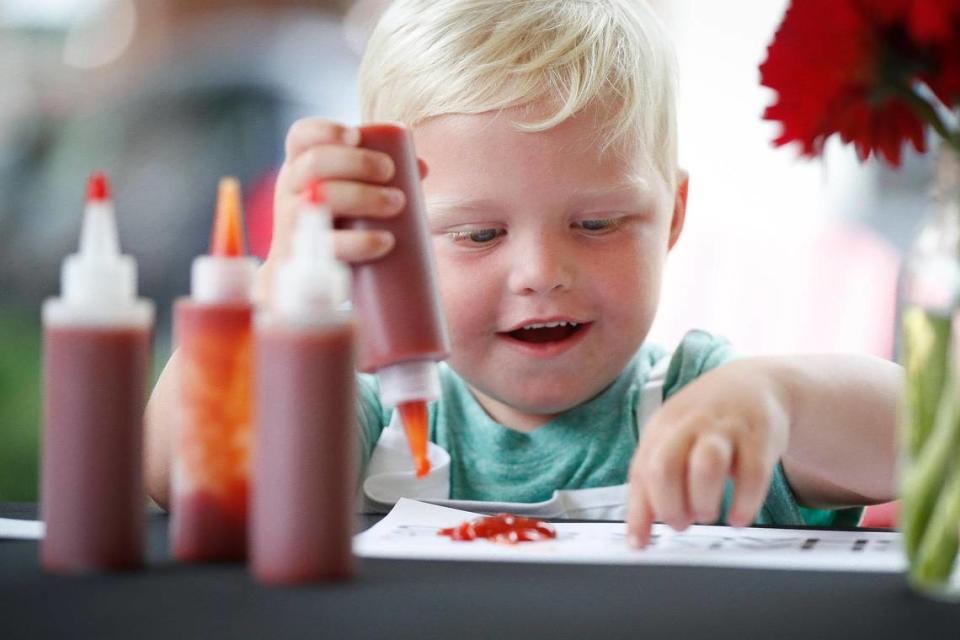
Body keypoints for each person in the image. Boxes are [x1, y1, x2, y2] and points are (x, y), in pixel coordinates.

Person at [146, 0, 900, 546]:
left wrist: (778, 399)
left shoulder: (702, 412)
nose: (542, 272)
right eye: (478, 234)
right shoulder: (372, 420)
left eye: (598, 224)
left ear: (670, 217)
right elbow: (186, 476)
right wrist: (283, 292)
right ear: (392, 237)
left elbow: (930, 429)